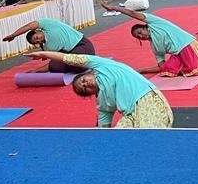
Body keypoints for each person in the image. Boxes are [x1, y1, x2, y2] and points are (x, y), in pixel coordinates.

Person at [33, 50, 174, 128]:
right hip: (130, 116)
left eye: (83, 81)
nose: (85, 85)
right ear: (90, 94)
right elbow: (103, 127)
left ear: (89, 73)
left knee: (150, 138)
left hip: (147, 100)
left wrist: (43, 54)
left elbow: (70, 58)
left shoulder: (102, 66)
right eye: (83, 90)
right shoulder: (102, 104)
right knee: (119, 138)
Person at [103, 2, 198, 77]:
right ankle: (188, 63)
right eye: (138, 37)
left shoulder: (154, 22)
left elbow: (133, 14)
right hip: (177, 55)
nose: (141, 36)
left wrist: (115, 8)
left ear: (145, 27)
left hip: (187, 45)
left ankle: (196, 59)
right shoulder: (154, 47)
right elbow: (161, 66)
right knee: (166, 70)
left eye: (140, 32)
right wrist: (141, 70)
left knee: (195, 70)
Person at [3, 16, 95, 71]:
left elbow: (29, 26)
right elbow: (59, 57)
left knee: (75, 61)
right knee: (56, 65)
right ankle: (36, 72)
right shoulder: (47, 47)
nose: (39, 40)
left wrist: (14, 35)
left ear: (36, 31)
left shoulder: (47, 24)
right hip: (71, 55)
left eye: (36, 37)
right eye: (37, 42)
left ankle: (80, 65)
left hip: (82, 45)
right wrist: (36, 69)